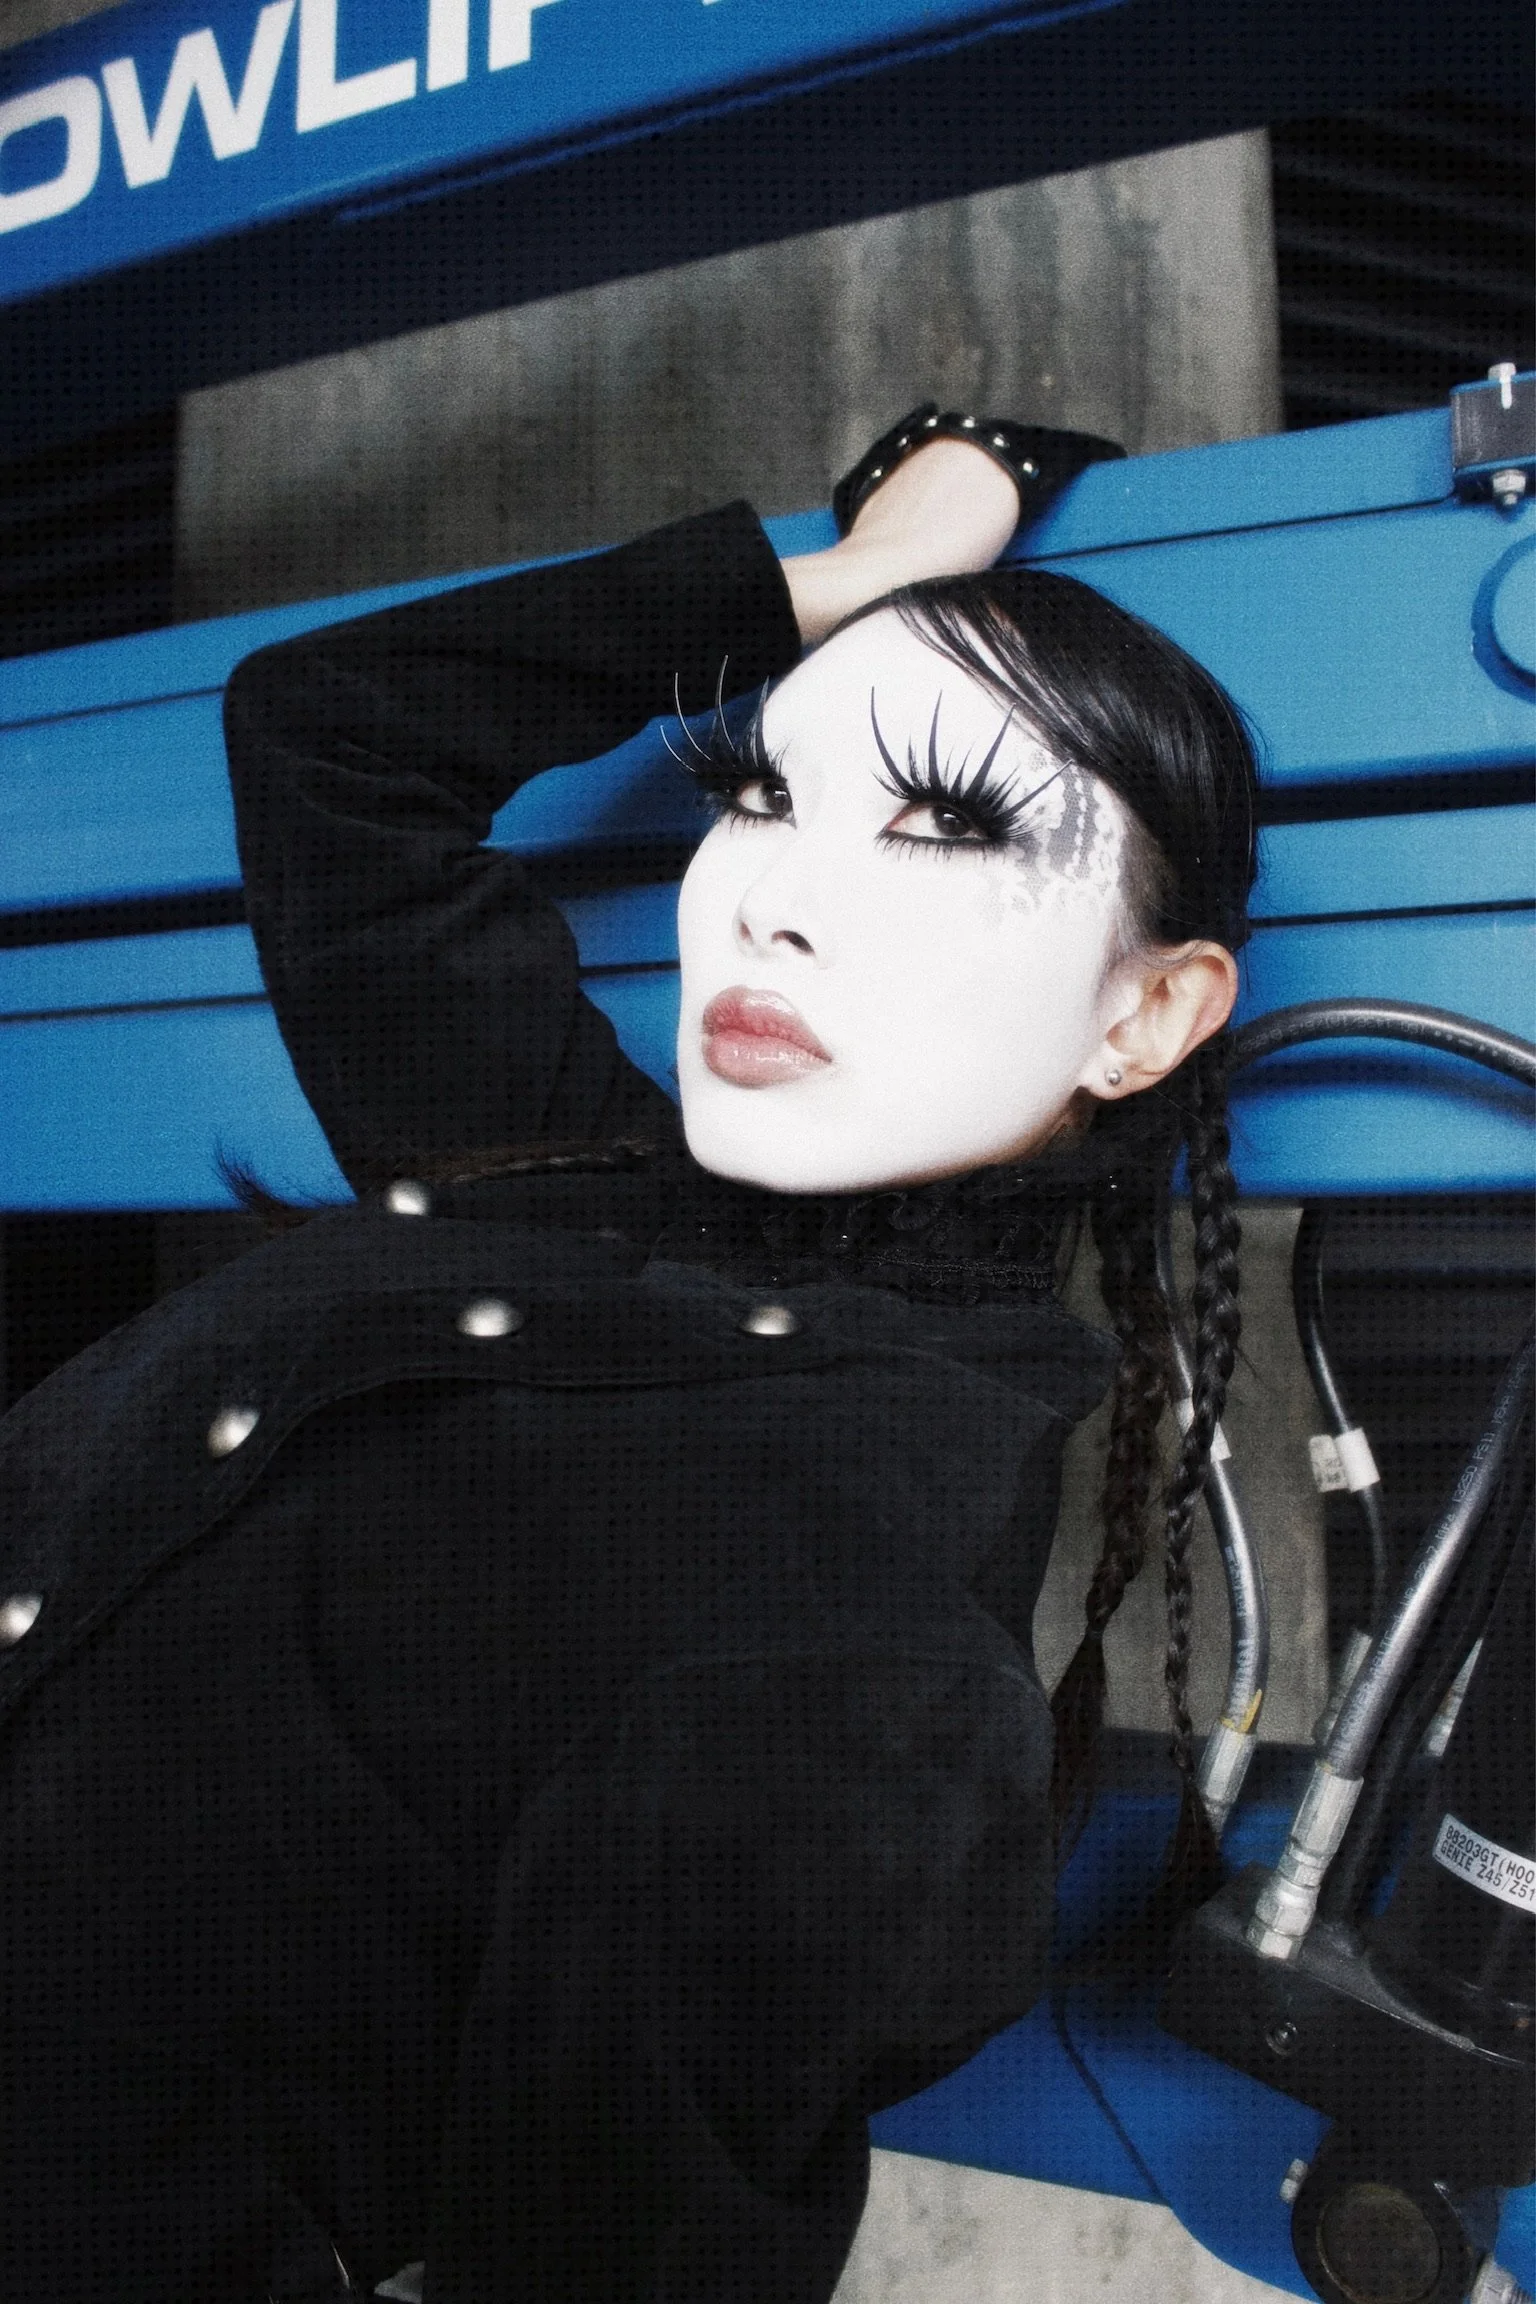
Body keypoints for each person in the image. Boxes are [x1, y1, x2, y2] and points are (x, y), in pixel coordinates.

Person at [0, 409, 1257, 2304]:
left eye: (945, 822)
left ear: (1147, 1014)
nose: (766, 892)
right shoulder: (556, 1162)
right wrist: (833, 580)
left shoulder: (862, 1668)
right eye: (757, 791)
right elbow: (327, 731)